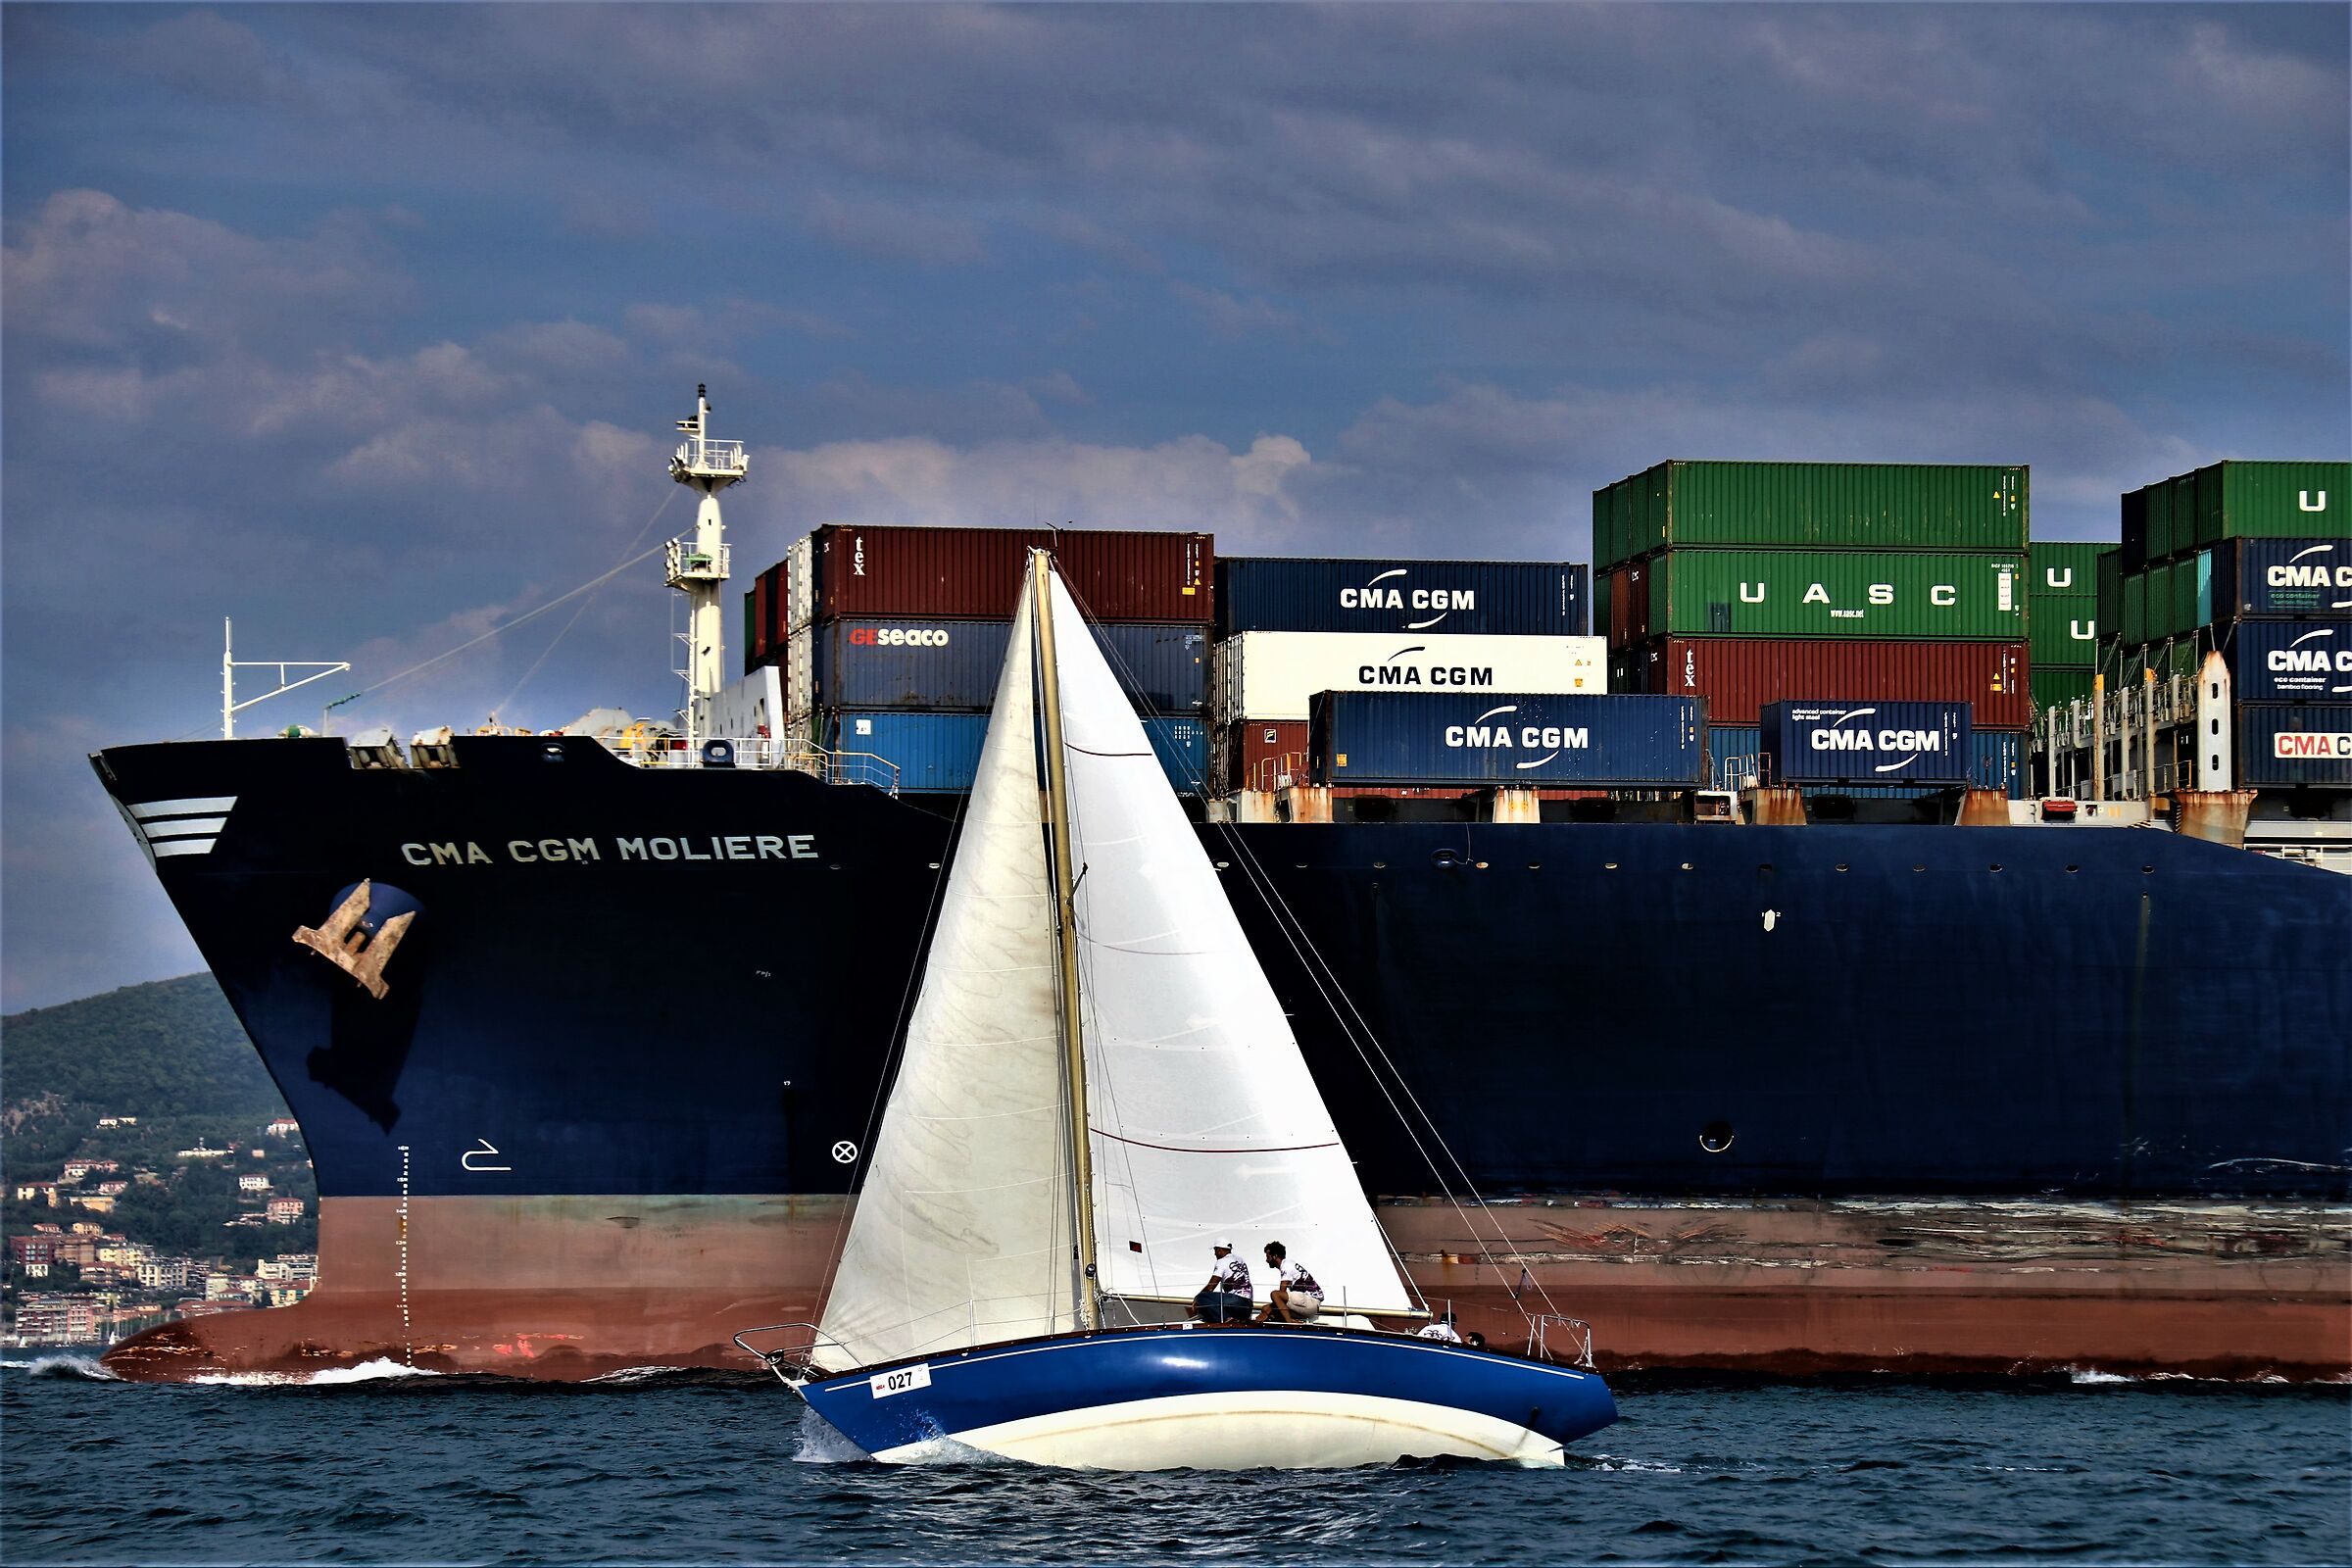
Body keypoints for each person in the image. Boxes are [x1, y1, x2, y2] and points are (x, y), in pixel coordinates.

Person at [1256, 1242, 1324, 1324]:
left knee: (1275, 1294)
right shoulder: (1289, 1264)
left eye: (1268, 1257)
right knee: (1265, 1308)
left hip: (1311, 1302)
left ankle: (1289, 1323)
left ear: (1275, 1256)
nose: (1267, 1260)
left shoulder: (1286, 1266)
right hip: (1307, 1303)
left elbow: (1280, 1293)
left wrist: (1266, 1313)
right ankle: (1293, 1321)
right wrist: (1266, 1311)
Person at [1191, 1238, 1251, 1324]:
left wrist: (1196, 1300)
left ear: (1219, 1250)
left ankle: (1226, 1319)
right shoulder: (1240, 1259)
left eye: (1215, 1251)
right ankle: (1234, 1319)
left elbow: (1210, 1287)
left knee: (1202, 1297)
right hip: (1248, 1306)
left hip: (1235, 1302)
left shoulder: (1221, 1261)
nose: (1214, 1254)